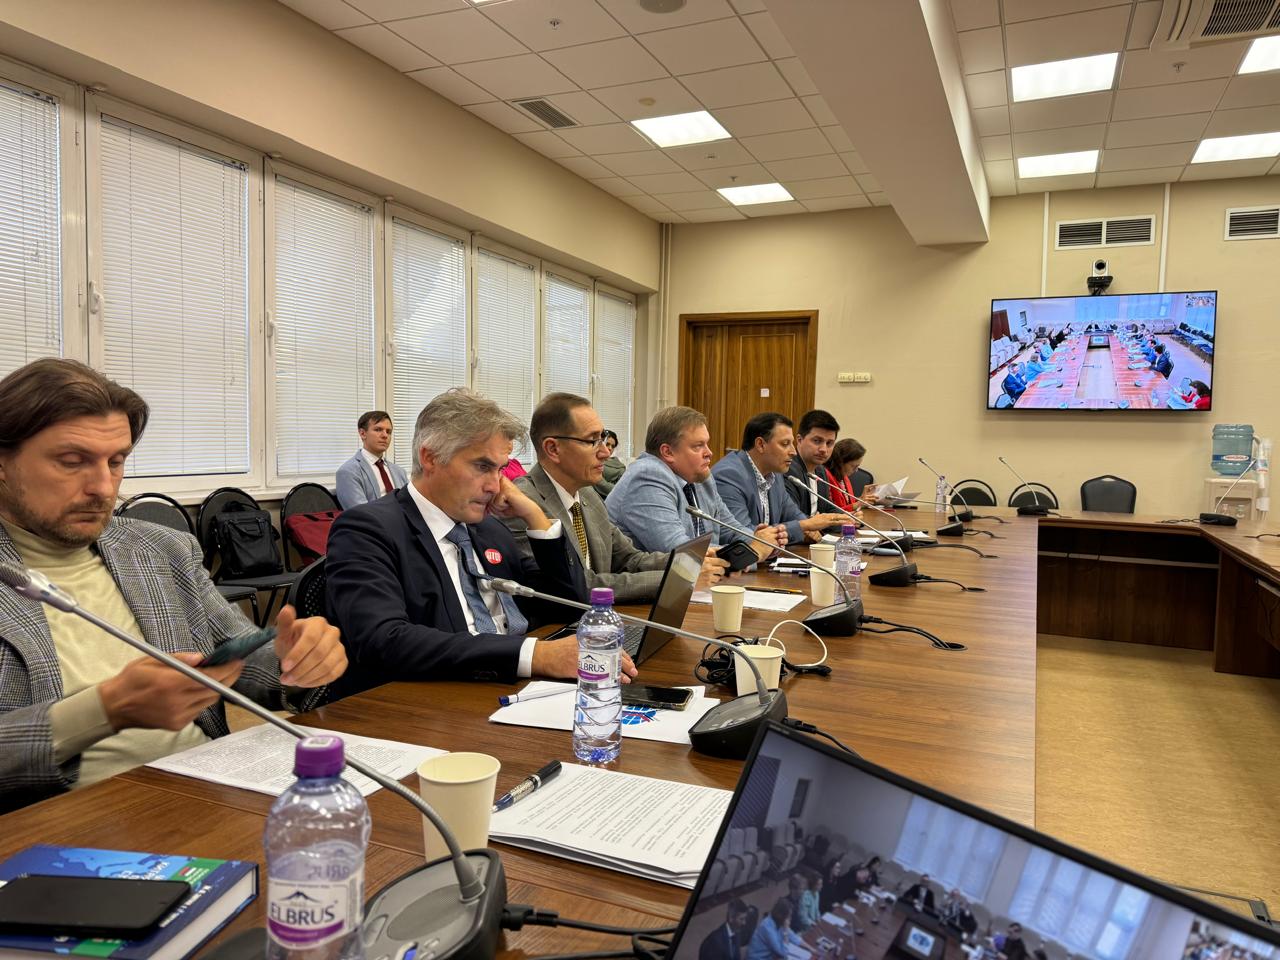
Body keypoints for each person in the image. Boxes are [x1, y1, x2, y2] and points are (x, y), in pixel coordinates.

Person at [0, 359, 348, 811]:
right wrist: (104, 710)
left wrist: (297, 660)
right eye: (72, 462)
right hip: (62, 820)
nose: (103, 487)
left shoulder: (160, 549)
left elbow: (242, 661)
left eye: (116, 461)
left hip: (204, 790)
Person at [325, 387, 636, 694]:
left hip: (520, 690)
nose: (495, 486)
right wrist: (535, 655)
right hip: (433, 699)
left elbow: (568, 605)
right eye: (483, 467)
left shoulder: (488, 529)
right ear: (430, 458)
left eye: (500, 470)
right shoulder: (368, 530)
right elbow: (384, 640)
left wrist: (535, 517)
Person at [504, 393, 727, 604]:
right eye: (592, 441)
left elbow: (630, 560)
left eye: (602, 439)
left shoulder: (588, 495)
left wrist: (688, 560)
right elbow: (580, 585)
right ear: (553, 448)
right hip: (555, 625)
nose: (605, 453)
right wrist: (677, 580)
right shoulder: (524, 504)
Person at [606, 406, 780, 558]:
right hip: (645, 584)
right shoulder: (647, 477)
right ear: (668, 452)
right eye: (698, 446)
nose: (709, 453)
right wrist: (752, 551)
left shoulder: (700, 477)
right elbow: (681, 552)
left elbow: (729, 527)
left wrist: (763, 541)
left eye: (707, 444)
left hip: (698, 581)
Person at [712, 413, 846, 546]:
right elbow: (742, 536)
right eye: (785, 444)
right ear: (760, 444)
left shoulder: (775, 474)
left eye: (792, 444)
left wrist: (807, 528)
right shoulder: (729, 475)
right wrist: (803, 526)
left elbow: (794, 515)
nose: (793, 451)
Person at [334, 410, 408, 510]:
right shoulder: (348, 472)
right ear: (362, 433)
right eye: (378, 430)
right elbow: (360, 513)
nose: (385, 435)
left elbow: (409, 505)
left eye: (388, 432)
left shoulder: (399, 472)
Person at [786, 409, 841, 517]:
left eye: (829, 443)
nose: (823, 449)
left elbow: (827, 507)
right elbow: (791, 516)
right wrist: (816, 523)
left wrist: (849, 517)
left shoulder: (821, 471)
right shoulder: (788, 471)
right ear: (799, 440)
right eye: (817, 441)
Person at [594, 429, 626, 498]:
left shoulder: (620, 466)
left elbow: (623, 489)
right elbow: (597, 481)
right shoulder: (593, 461)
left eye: (613, 446)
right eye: (607, 444)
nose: (610, 448)